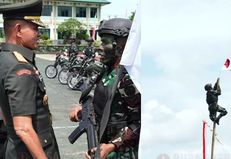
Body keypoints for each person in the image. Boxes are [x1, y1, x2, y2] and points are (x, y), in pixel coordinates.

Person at [69, 18, 141, 159]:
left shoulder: (128, 78)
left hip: (123, 153)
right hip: (103, 146)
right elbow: (108, 106)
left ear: (120, 45)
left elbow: (140, 122)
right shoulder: (107, 71)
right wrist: (83, 112)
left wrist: (111, 146)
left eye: (104, 42)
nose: (99, 47)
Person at [0, 0, 60, 158]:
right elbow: (23, 128)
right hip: (31, 151)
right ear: (18, 30)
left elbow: (6, 114)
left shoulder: (4, 59)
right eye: (34, 28)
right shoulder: (19, 67)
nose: (38, 34)